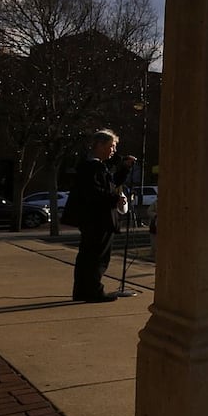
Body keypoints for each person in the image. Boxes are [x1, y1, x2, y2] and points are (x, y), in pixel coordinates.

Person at [63, 129, 134, 303]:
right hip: (98, 219)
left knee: (88, 255)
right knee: (97, 257)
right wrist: (115, 198)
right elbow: (95, 193)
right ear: (100, 145)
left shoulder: (92, 166)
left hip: (93, 219)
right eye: (112, 146)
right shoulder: (92, 167)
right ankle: (93, 291)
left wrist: (124, 169)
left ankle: (82, 290)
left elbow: (110, 184)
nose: (114, 150)